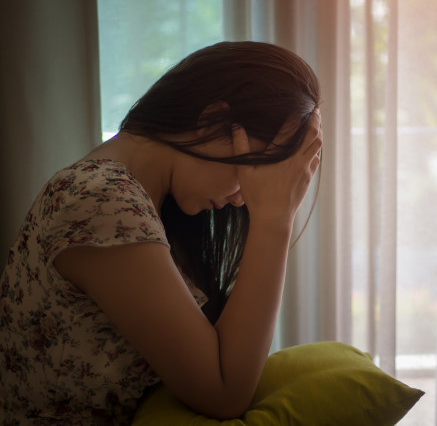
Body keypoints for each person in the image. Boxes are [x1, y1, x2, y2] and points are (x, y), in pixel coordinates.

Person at [0, 41, 323, 425]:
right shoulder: (101, 200)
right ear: (213, 122)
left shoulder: (140, 198)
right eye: (256, 172)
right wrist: (274, 220)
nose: (244, 199)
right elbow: (223, 394)